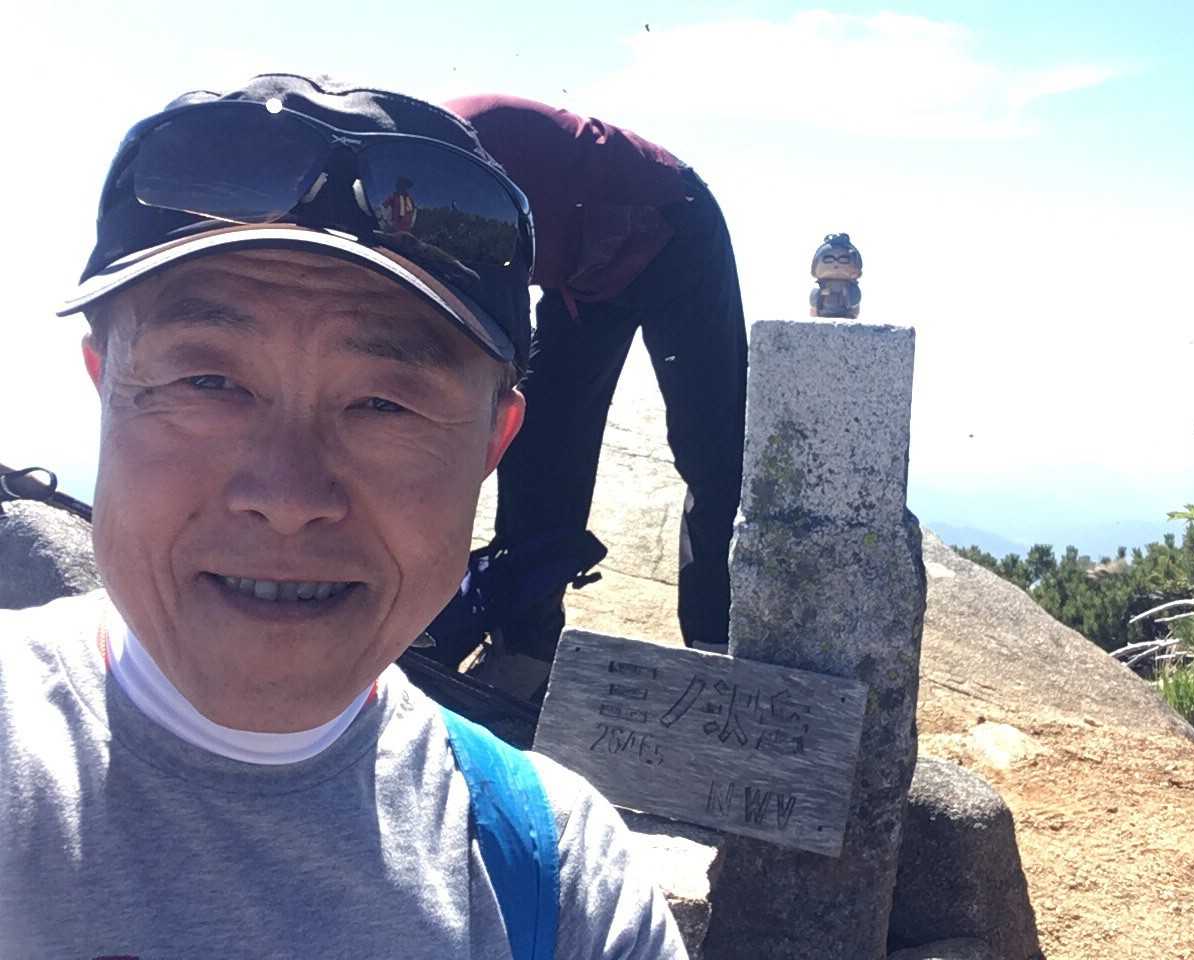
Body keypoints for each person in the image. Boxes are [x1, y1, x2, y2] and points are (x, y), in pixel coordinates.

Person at [0, 74, 686, 959]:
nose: (288, 498)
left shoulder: (562, 886)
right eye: (209, 381)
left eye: (383, 404)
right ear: (107, 390)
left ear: (492, 442)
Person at [445, 95, 747, 660]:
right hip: (583, 274)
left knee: (713, 445)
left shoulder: (454, 164)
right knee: (540, 442)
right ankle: (525, 645)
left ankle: (717, 641)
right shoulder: (406, 187)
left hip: (672, 227)